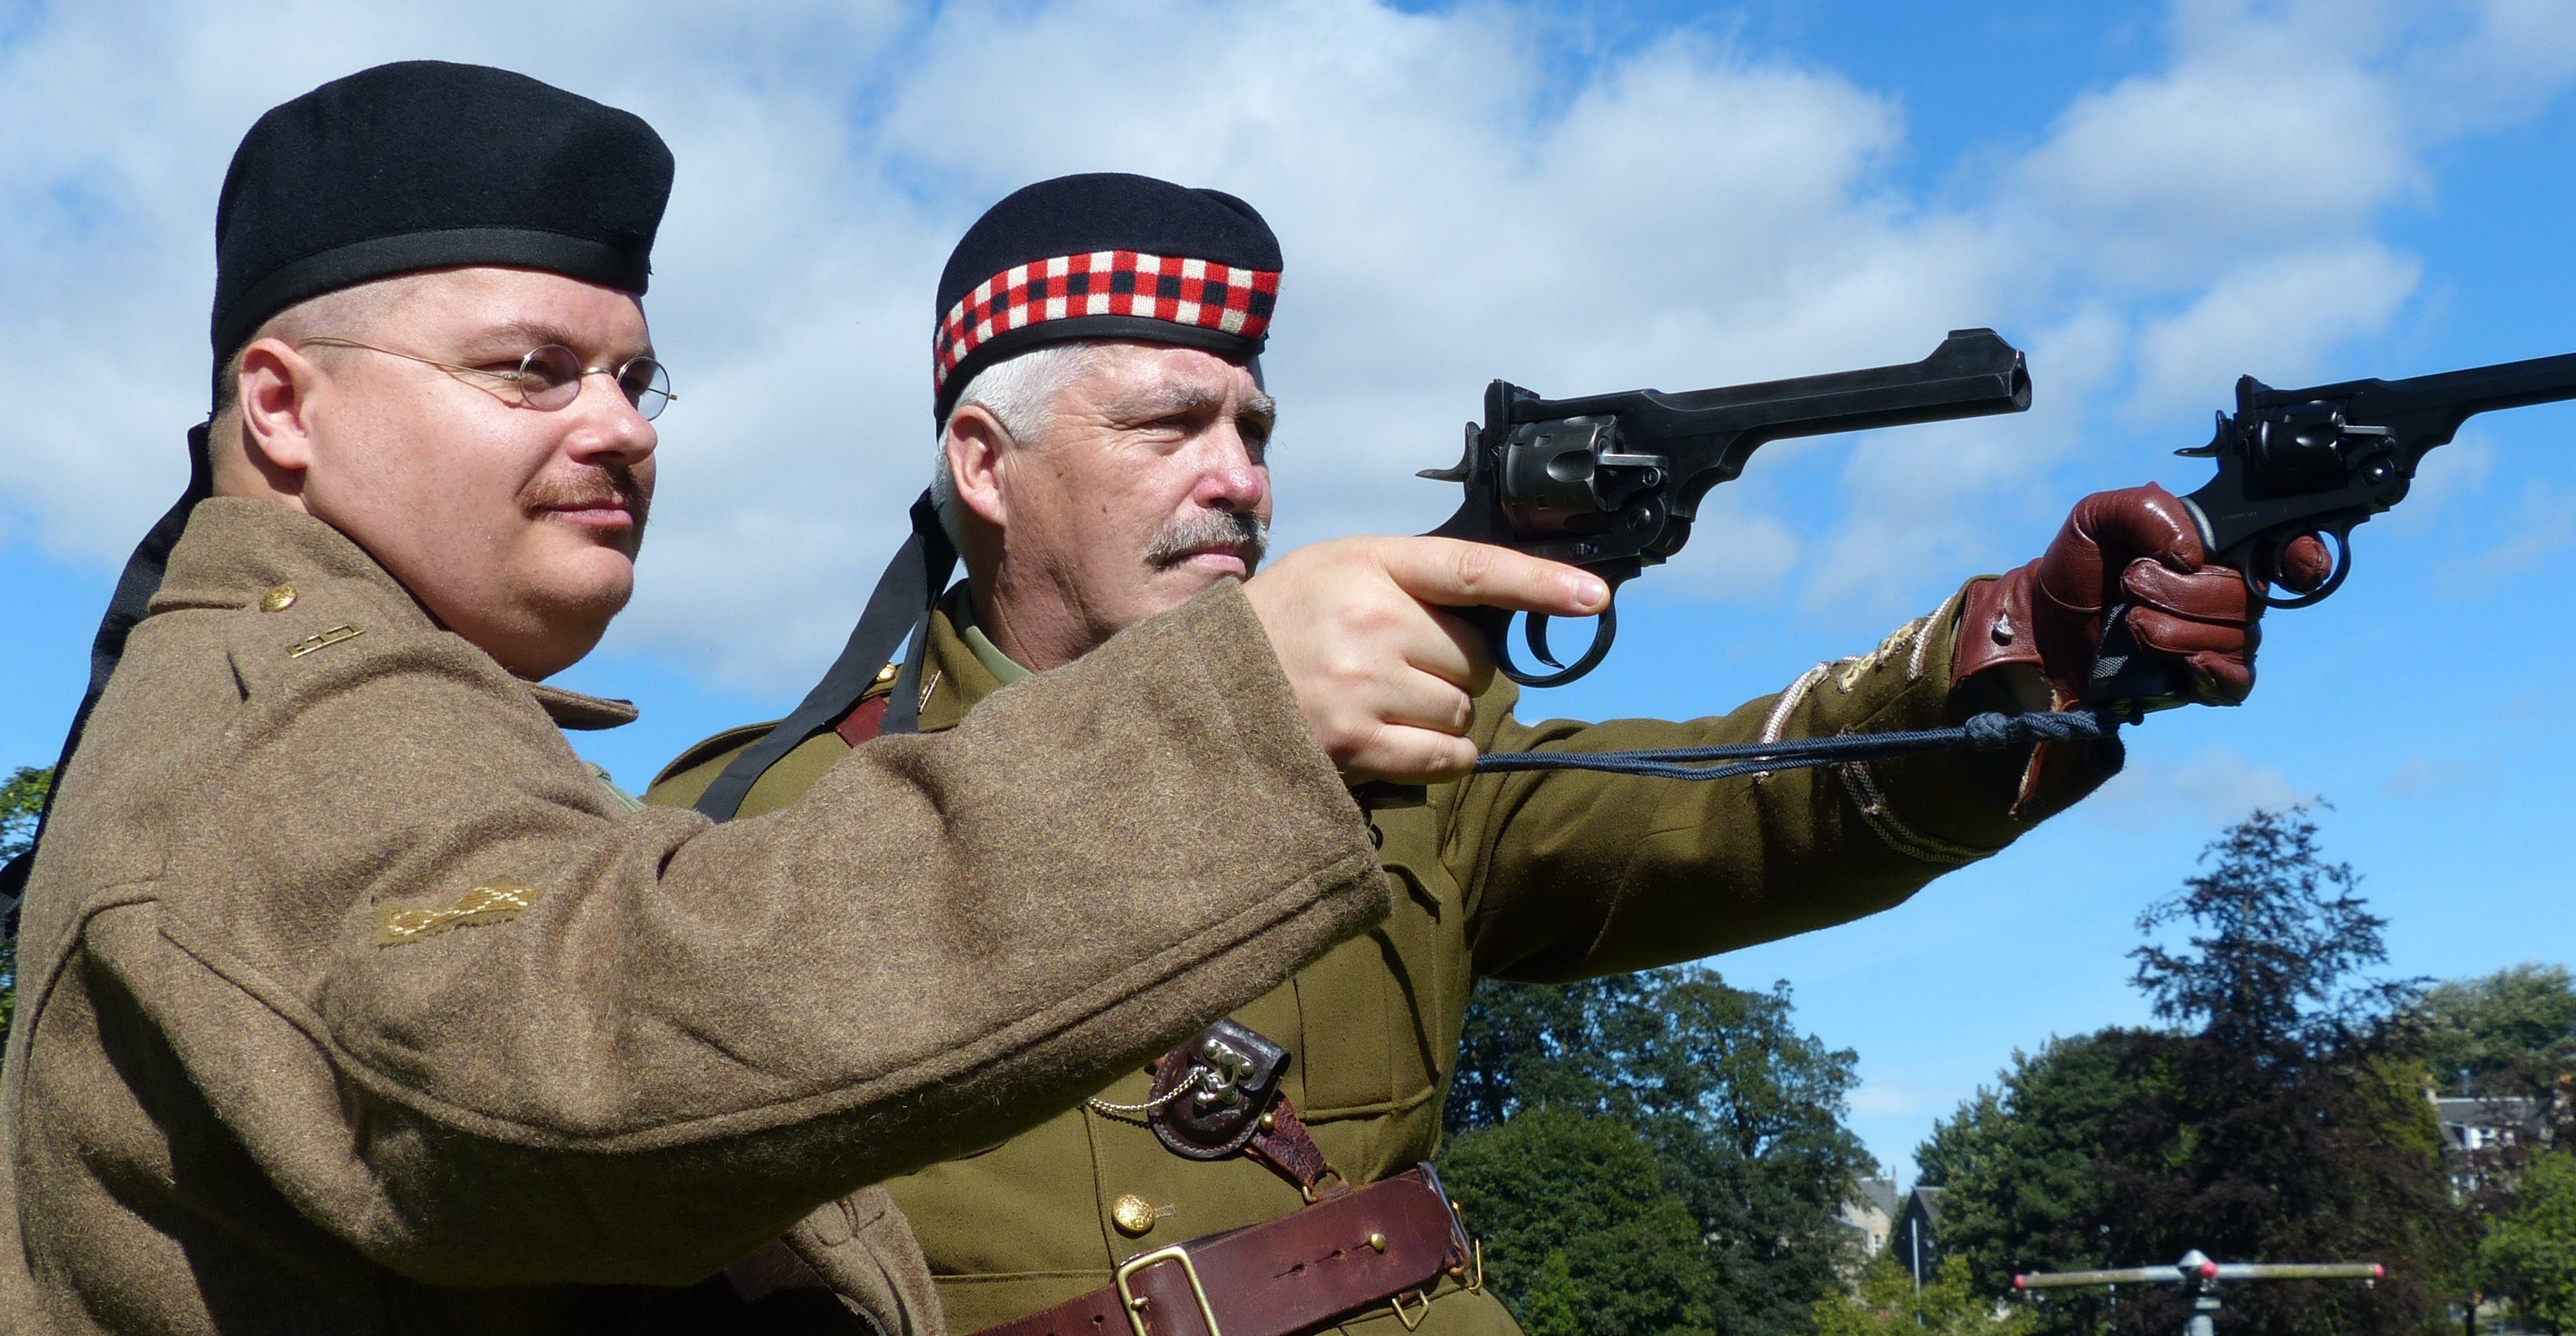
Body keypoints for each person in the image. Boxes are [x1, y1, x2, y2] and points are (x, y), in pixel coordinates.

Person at [0, 72, 1605, 1335]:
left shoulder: (329, 692)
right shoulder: (300, 720)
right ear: (280, 409)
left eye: (635, 380)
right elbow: (590, 1055)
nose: (621, 430)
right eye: (529, 371)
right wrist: (1234, 717)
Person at [647, 173, 2310, 1336]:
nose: (1239, 477)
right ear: (985, 465)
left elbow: (1730, 806)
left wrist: (2014, 665)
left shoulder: (1401, 761)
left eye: (1256, 429)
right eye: (1167, 424)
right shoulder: (756, 821)